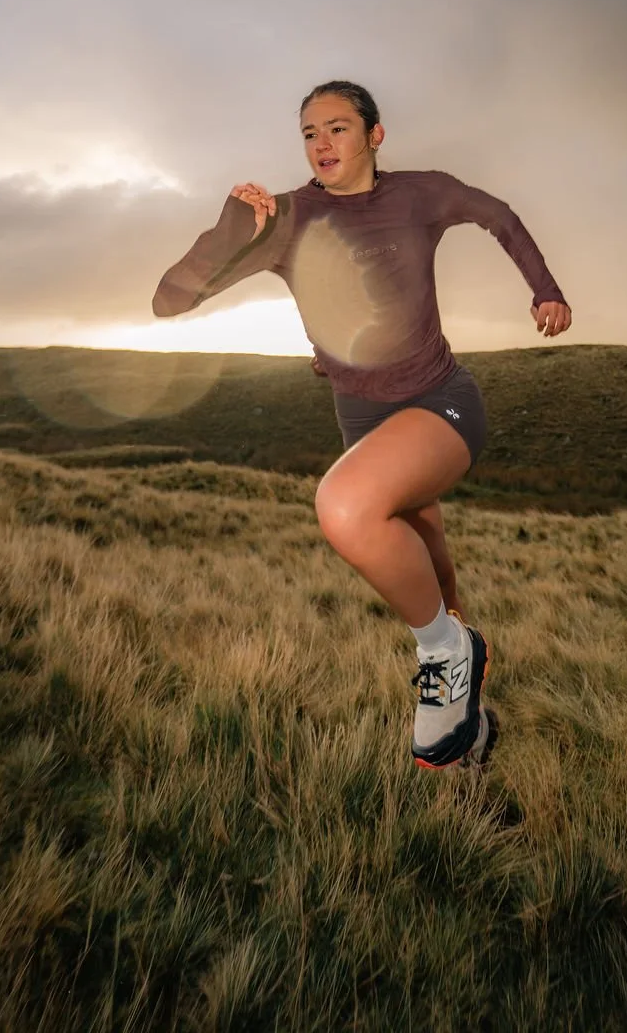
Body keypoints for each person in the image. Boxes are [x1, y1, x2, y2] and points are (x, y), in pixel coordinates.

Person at [152, 80, 571, 769]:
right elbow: (170, 300)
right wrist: (230, 231)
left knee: (345, 507)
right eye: (309, 133)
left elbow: (499, 215)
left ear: (375, 135)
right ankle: (472, 734)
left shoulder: (421, 193)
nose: (321, 144)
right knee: (433, 572)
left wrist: (545, 288)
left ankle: (442, 654)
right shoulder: (284, 219)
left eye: (338, 128)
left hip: (442, 402)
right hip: (361, 417)